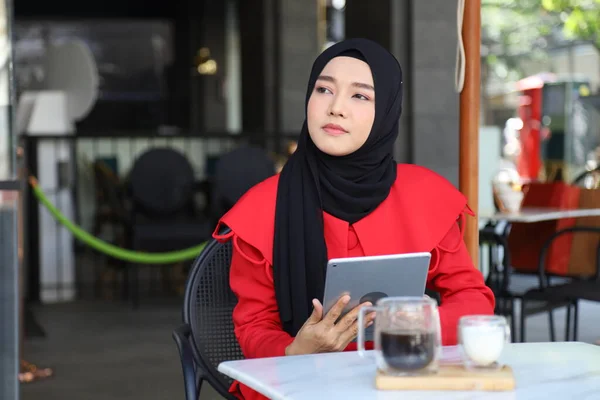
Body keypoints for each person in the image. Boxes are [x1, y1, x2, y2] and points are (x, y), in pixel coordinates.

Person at [213, 38, 495, 400]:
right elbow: (254, 325)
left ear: (387, 112)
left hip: (401, 380)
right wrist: (296, 349)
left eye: (360, 96)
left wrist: (416, 325)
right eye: (324, 89)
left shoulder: (424, 194)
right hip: (299, 384)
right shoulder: (261, 206)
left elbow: (474, 298)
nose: (335, 108)